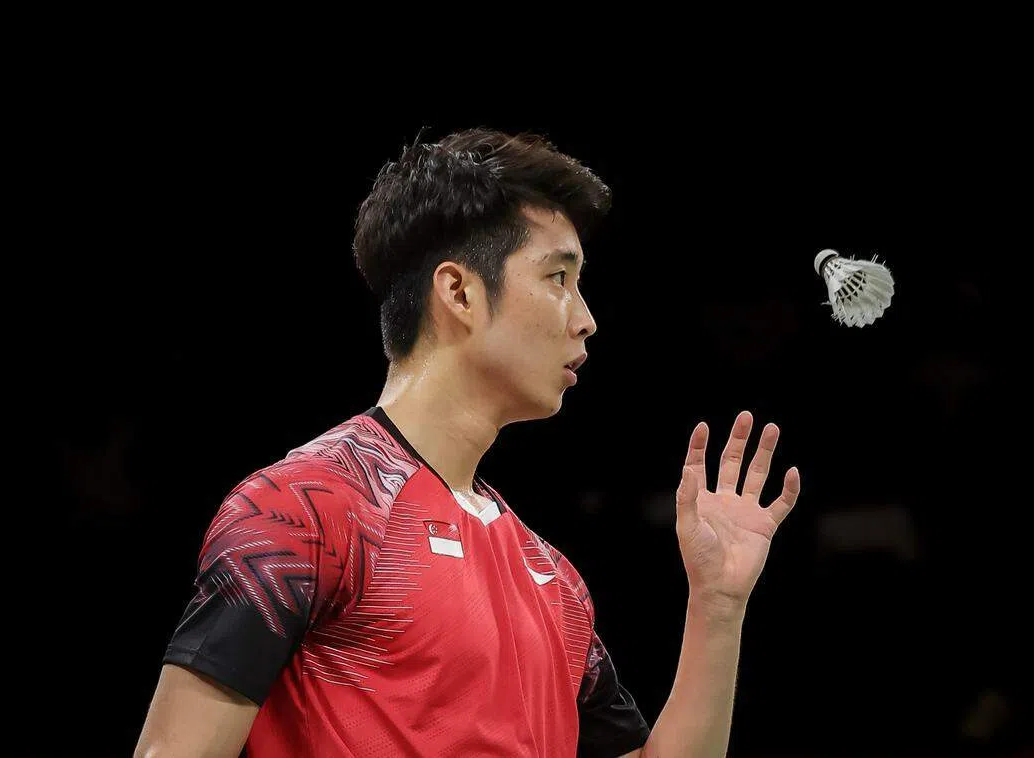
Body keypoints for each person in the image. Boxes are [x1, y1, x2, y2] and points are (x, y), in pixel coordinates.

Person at [134, 128, 801, 757]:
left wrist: (717, 608)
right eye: (558, 278)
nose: (587, 319)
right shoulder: (303, 512)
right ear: (458, 291)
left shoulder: (555, 582)